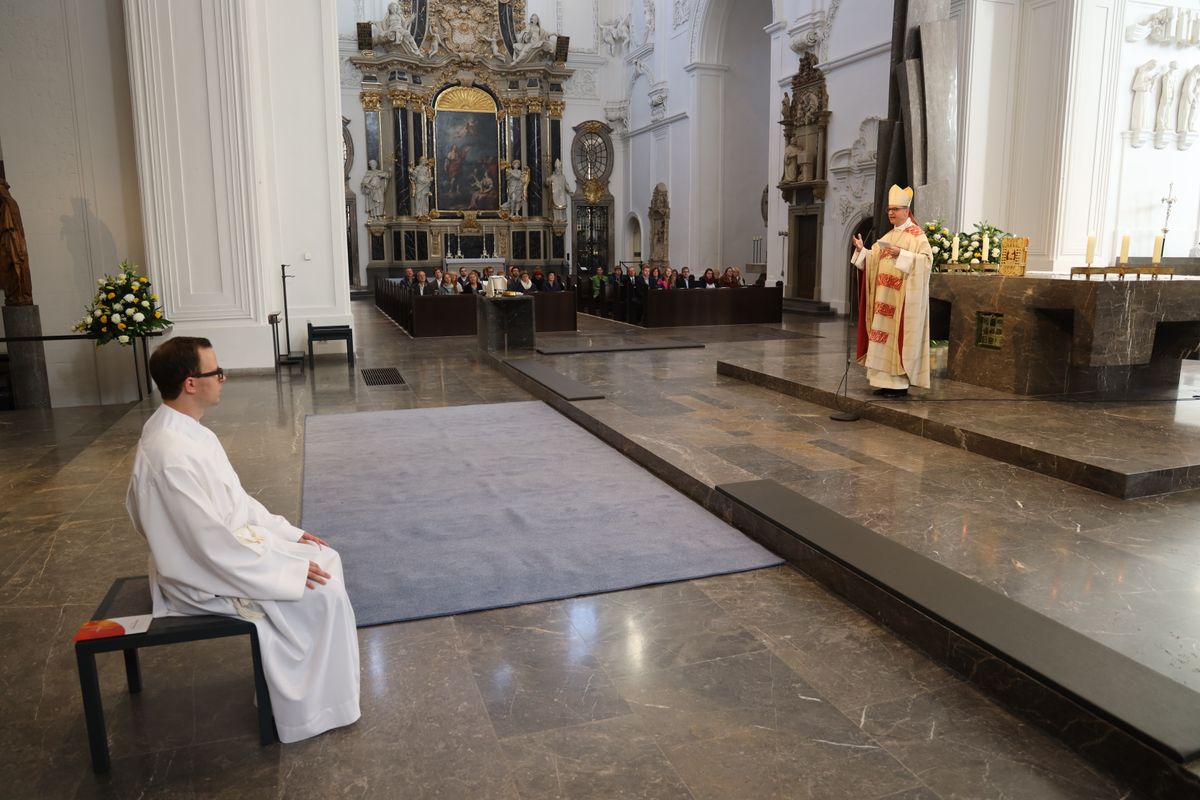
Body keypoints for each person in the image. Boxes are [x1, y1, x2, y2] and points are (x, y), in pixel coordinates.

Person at [126, 337, 360, 743]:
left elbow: (238, 501)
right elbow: (206, 546)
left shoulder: (190, 433)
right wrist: (283, 570)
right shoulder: (169, 454)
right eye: (215, 372)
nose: (223, 378)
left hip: (232, 549)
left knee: (326, 556)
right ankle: (307, 710)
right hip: (201, 575)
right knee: (325, 595)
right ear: (191, 384)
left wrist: (289, 534)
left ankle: (329, 696)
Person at [851, 184, 932, 398]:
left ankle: (898, 384)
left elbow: (926, 262)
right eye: (889, 209)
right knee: (881, 338)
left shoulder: (917, 237)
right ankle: (883, 381)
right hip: (882, 299)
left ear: (907, 211)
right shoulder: (887, 235)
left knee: (897, 339)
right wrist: (863, 252)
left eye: (895, 209)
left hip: (901, 302)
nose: (891, 213)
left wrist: (902, 254)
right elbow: (873, 259)